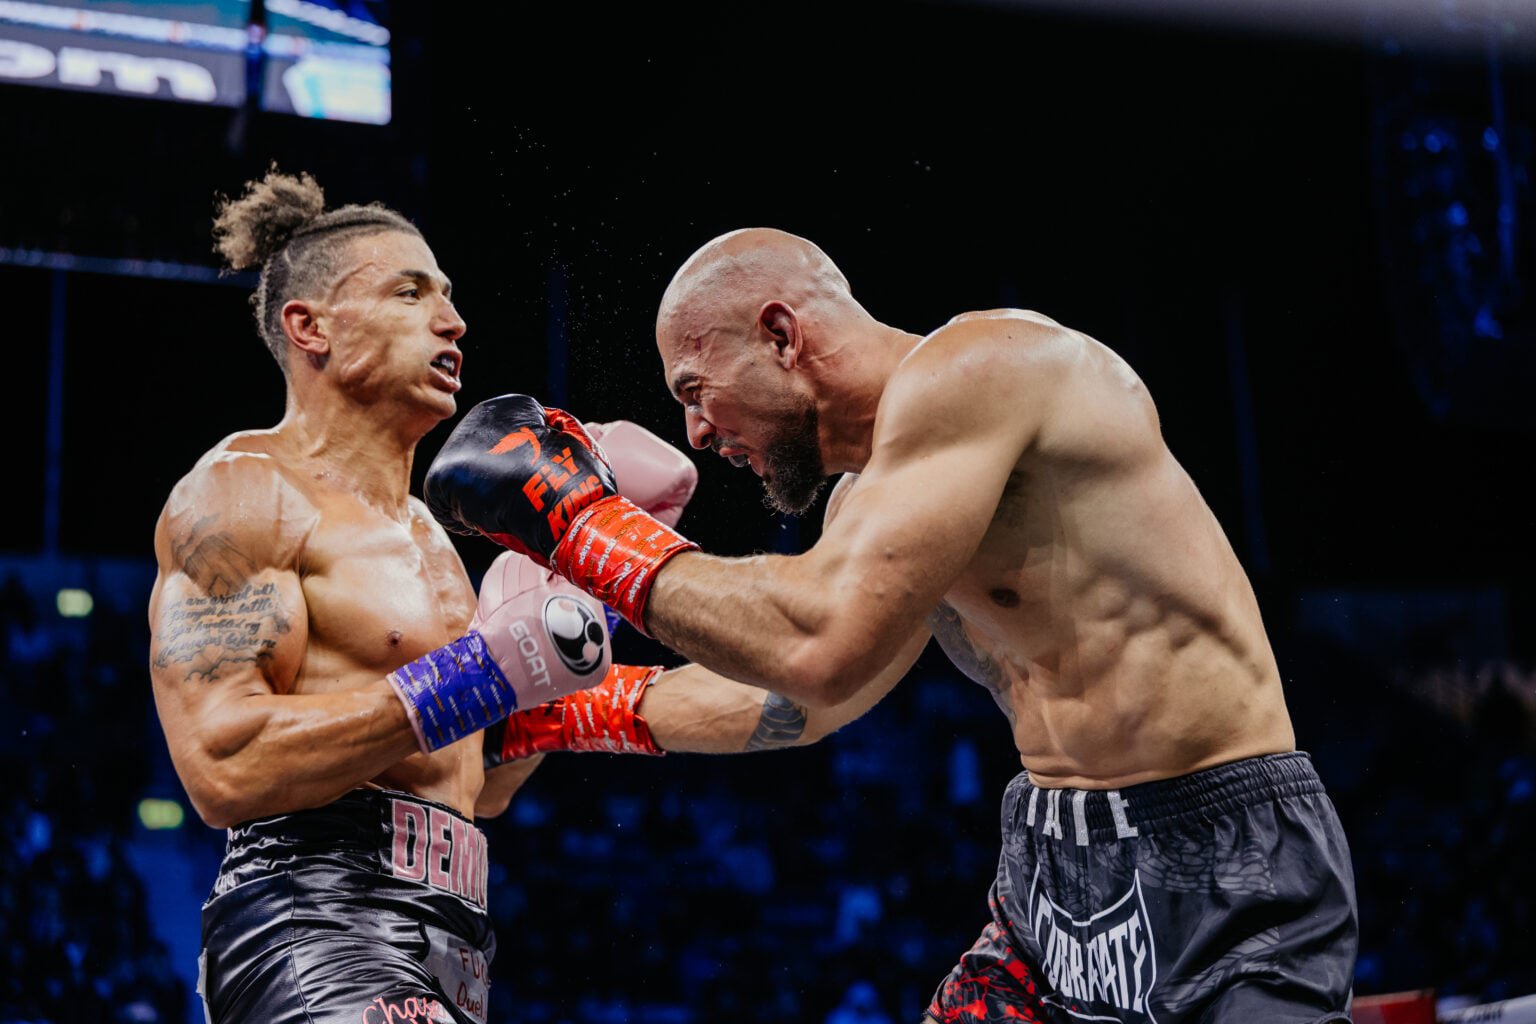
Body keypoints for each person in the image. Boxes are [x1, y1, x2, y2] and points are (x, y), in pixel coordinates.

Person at [425, 228, 1359, 1023]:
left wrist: (580, 525)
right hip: (1052, 872)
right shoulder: (874, 502)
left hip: (1225, 859)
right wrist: (561, 712)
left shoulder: (986, 368)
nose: (698, 432)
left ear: (782, 336)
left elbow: (817, 643)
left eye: (695, 387)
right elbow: (800, 700)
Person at [147, 176, 853, 1024]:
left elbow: (475, 789)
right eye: (409, 293)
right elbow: (223, 765)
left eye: (448, 295)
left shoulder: (432, 543)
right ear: (311, 327)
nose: (452, 321)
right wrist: (487, 671)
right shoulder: (244, 492)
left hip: (450, 941)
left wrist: (562, 669)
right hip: (313, 923)